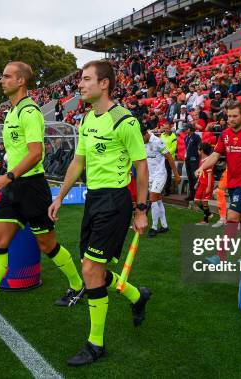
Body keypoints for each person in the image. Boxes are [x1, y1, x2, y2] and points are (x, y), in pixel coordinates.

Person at [0, 62, 84, 316]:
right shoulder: (11, 112)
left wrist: (8, 177)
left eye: (6, 76)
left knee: (47, 245)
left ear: (21, 81)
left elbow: (36, 154)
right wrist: (7, 177)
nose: (1, 80)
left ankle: (78, 285)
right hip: (13, 185)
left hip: (32, 187)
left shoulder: (30, 112)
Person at [48, 60, 151, 366]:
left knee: (91, 270)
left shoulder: (125, 121)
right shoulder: (86, 120)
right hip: (94, 199)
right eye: (81, 79)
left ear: (104, 83)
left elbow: (141, 166)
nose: (80, 84)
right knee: (89, 267)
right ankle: (135, 295)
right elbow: (78, 162)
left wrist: (141, 209)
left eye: (86, 79)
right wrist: (60, 196)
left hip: (115, 201)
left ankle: (96, 344)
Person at [196, 102, 241, 262]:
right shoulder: (225, 134)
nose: (231, 119)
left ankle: (220, 256)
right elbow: (215, 155)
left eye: (235, 115)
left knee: (232, 215)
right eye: (229, 116)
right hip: (232, 182)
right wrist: (203, 166)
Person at [144, 126, 180, 237]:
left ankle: (154, 227)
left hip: (160, 175)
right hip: (150, 176)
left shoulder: (158, 142)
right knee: (158, 200)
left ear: (145, 134)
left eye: (141, 138)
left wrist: (176, 174)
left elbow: (169, 157)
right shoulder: (141, 142)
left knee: (153, 198)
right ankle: (164, 226)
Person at [194, 143, 215, 225]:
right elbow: (201, 173)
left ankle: (205, 220)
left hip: (207, 184)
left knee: (204, 202)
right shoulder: (201, 161)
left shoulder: (208, 161)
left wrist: (209, 187)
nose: (197, 150)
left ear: (201, 150)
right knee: (196, 201)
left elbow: (209, 174)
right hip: (201, 183)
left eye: (198, 149)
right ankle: (209, 213)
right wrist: (197, 182)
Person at [184, 123, 202, 201]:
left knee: (195, 178)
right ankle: (191, 195)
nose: (185, 130)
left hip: (194, 160)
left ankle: (196, 195)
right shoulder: (186, 137)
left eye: (186, 128)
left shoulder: (196, 137)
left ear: (190, 129)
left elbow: (199, 148)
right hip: (187, 159)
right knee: (190, 178)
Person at [160, 122, 178, 195]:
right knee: (162, 174)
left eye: (167, 128)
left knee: (168, 174)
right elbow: (160, 144)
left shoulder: (173, 136)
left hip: (169, 158)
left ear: (170, 128)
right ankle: (161, 189)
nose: (166, 130)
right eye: (165, 128)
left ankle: (167, 190)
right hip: (162, 158)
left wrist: (165, 154)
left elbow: (173, 148)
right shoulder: (162, 135)